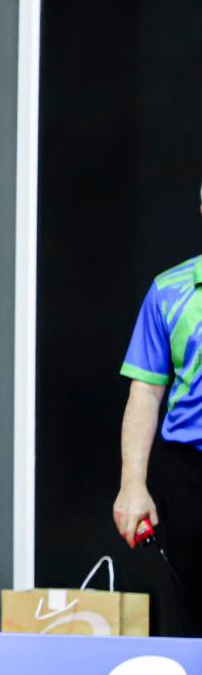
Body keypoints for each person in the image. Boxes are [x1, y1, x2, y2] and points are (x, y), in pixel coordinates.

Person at [114, 193, 202, 633]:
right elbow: (146, 393)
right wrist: (132, 484)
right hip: (190, 473)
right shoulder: (170, 290)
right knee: (191, 612)